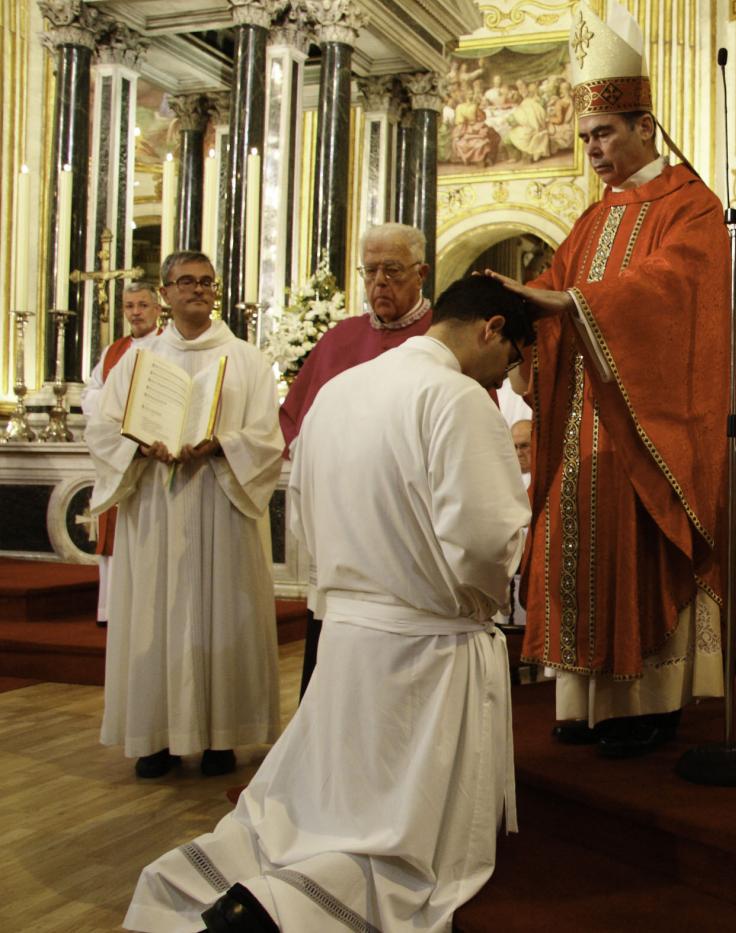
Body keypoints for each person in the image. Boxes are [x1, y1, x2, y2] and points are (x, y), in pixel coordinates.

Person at [123, 274, 534, 933]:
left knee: (335, 799)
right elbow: (486, 538)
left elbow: (303, 515)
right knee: (397, 831)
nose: (503, 372)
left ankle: (245, 889)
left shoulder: (339, 392)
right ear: (491, 328)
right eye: (509, 355)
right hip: (426, 647)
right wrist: (482, 605)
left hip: (346, 633)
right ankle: (285, 909)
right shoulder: (456, 397)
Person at [487, 3, 736, 759]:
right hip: (583, 419)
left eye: (605, 134)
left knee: (631, 519)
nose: (595, 152)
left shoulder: (693, 207)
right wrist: (513, 310)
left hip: (660, 423)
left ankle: (649, 700)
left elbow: (677, 292)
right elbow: (554, 283)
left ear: (644, 124)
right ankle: (588, 697)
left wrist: (576, 303)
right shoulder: (591, 219)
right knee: (574, 521)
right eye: (585, 140)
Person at [85, 251, 282, 780]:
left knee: (224, 613)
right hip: (156, 505)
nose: (198, 290)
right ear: (166, 293)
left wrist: (223, 443)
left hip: (222, 502)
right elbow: (103, 428)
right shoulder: (137, 361)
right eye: (186, 282)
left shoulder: (247, 360)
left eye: (207, 283)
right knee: (155, 613)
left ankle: (223, 737)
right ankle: (157, 737)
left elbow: (269, 437)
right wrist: (139, 445)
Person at [279, 222, 434, 697]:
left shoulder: (442, 337)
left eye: (392, 270)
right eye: (370, 272)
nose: (379, 283)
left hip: (409, 524)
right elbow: (293, 422)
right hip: (342, 526)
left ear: (421, 273)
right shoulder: (339, 340)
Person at [81, 281, 162, 628]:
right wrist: (114, 404)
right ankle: (109, 610)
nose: (135, 312)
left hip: (149, 454)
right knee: (112, 529)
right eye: (129, 306)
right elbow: (92, 392)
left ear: (157, 308)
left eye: (142, 305)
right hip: (117, 450)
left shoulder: (166, 346)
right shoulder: (114, 351)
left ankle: (141, 609)